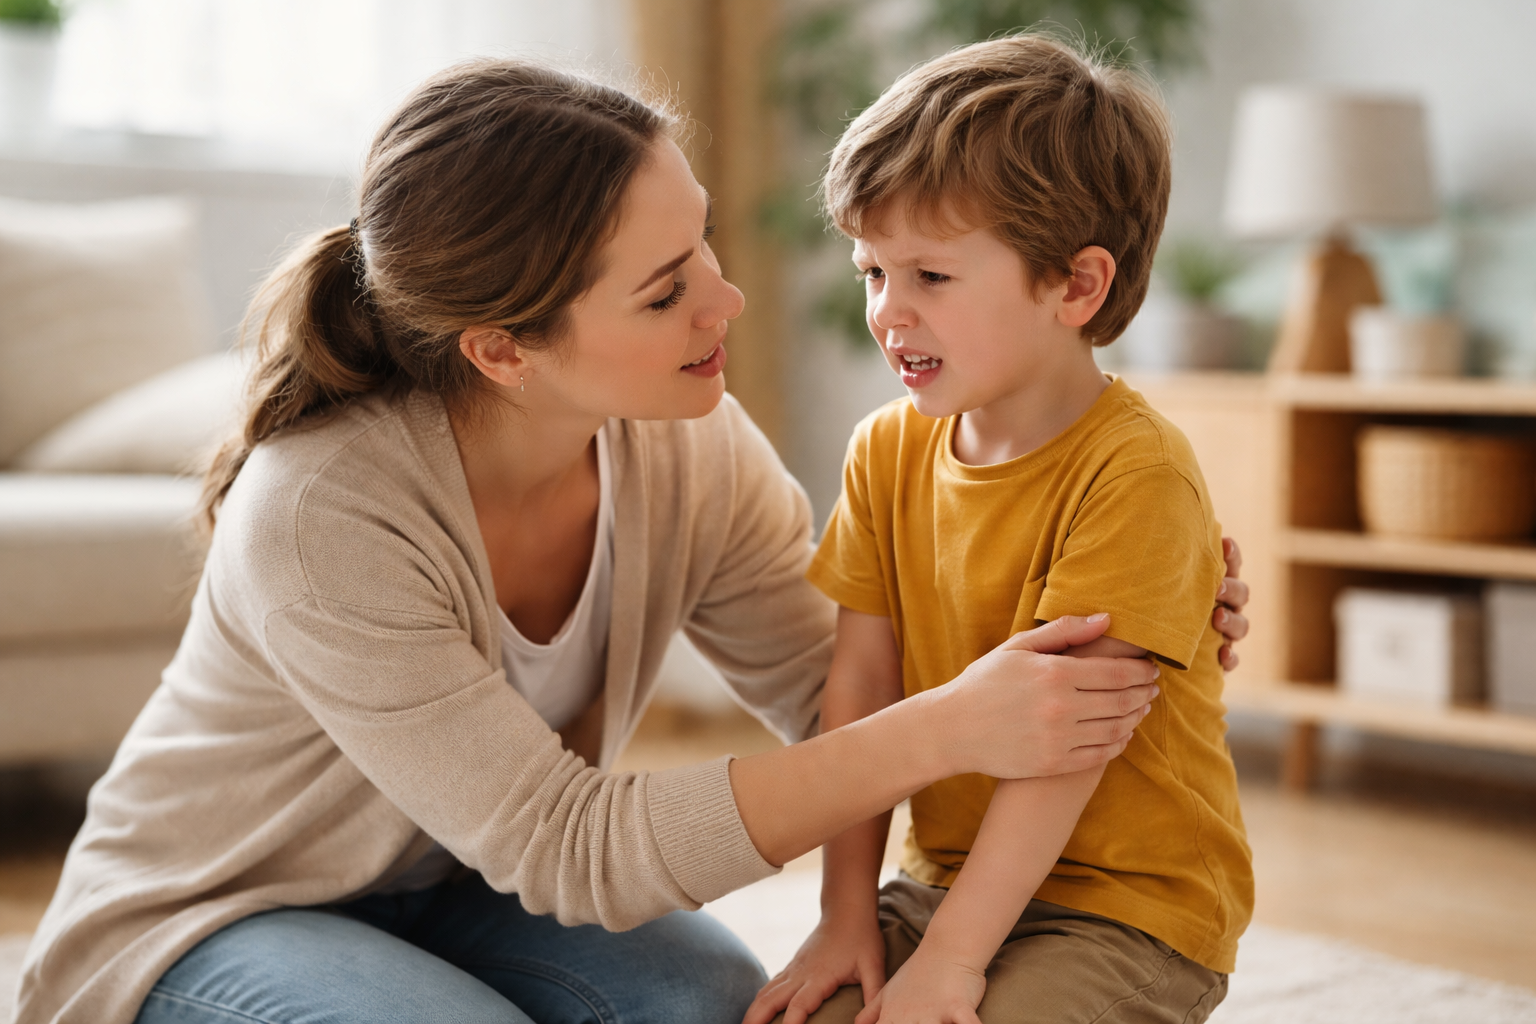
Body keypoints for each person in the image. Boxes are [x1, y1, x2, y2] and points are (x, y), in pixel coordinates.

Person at [14, 59, 1248, 1024]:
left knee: (713, 1010)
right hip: (214, 911)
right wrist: (953, 724)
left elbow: (844, 691)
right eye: (664, 290)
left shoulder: (679, 438)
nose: (729, 299)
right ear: (505, 350)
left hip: (466, 888)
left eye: (700, 241)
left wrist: (1136, 598)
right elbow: (577, 848)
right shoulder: (323, 510)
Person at [746, 36, 1252, 1024]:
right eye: (871, 271)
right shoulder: (883, 452)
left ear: (1076, 286)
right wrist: (844, 912)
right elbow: (860, 693)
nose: (887, 313)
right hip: (944, 878)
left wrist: (954, 961)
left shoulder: (1135, 471)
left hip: (1128, 907)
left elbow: (1070, 742)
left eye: (930, 276)